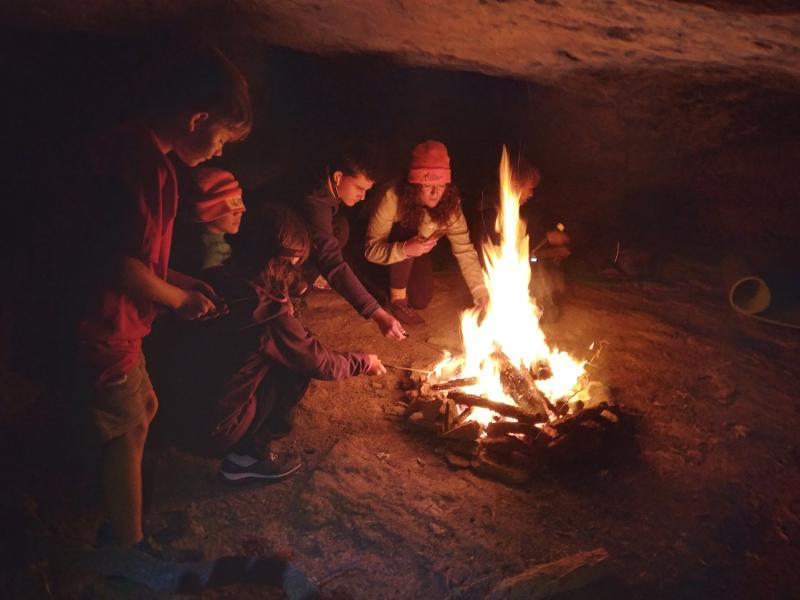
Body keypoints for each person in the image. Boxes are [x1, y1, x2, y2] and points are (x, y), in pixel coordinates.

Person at [75, 48, 252, 550]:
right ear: (197, 118)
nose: (219, 152)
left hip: (112, 319)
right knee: (127, 428)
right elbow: (118, 265)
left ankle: (123, 524)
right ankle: (126, 549)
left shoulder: (122, 146)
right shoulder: (147, 167)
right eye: (221, 138)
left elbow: (128, 251)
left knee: (144, 406)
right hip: (104, 324)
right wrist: (179, 299)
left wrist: (180, 281)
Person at [175, 207, 386, 482]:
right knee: (294, 368)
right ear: (272, 259)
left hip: (176, 414)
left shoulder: (218, 276)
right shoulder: (265, 313)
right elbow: (320, 362)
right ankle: (246, 458)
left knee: (278, 353)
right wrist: (364, 362)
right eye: (290, 263)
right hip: (213, 429)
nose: (293, 270)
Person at [364, 140, 488, 325]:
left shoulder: (450, 206)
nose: (435, 193)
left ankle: (396, 280)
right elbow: (371, 250)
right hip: (390, 249)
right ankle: (397, 298)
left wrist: (480, 292)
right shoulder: (392, 197)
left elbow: (464, 250)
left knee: (421, 299)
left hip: (416, 251)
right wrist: (405, 249)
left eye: (441, 185)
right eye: (428, 185)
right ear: (415, 184)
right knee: (406, 228)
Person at [296, 150, 406, 339]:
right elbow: (332, 262)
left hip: (295, 232)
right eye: (359, 188)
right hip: (266, 245)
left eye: (366, 190)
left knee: (340, 227)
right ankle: (290, 289)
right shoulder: (314, 199)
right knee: (324, 243)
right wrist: (378, 314)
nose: (362, 197)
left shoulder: (326, 184)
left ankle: (305, 276)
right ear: (338, 177)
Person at [470, 158, 569, 322]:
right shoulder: (491, 214)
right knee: (548, 313)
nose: (532, 194)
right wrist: (547, 245)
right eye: (530, 188)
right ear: (515, 185)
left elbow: (522, 252)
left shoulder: (514, 213)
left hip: (512, 278)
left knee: (549, 306)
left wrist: (548, 245)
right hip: (493, 285)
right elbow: (503, 258)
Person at [171, 167, 246, 276]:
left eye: (238, 202)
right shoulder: (204, 253)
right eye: (231, 206)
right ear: (209, 211)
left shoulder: (215, 243)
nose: (240, 212)